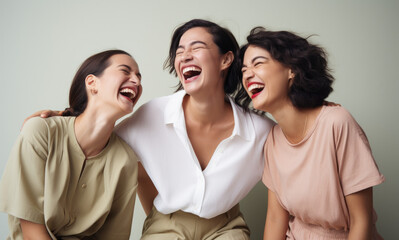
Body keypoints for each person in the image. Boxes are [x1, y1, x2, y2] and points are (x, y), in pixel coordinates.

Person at [26, 19, 275, 239]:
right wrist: (63, 117)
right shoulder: (152, 114)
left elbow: (293, 158)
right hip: (166, 226)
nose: (185, 56)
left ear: (226, 59)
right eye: (179, 51)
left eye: (197, 47)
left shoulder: (261, 131)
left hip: (226, 227)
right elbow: (100, 139)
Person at [238, 27, 385, 239]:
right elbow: (275, 219)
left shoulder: (337, 123)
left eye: (258, 63)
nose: (248, 74)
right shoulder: (273, 140)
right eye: (244, 70)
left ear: (292, 70)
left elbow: (361, 221)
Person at [0, 49, 142, 239]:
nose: (137, 81)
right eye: (125, 71)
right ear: (92, 83)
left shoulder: (125, 161)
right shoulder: (41, 133)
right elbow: (32, 231)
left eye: (139, 77)